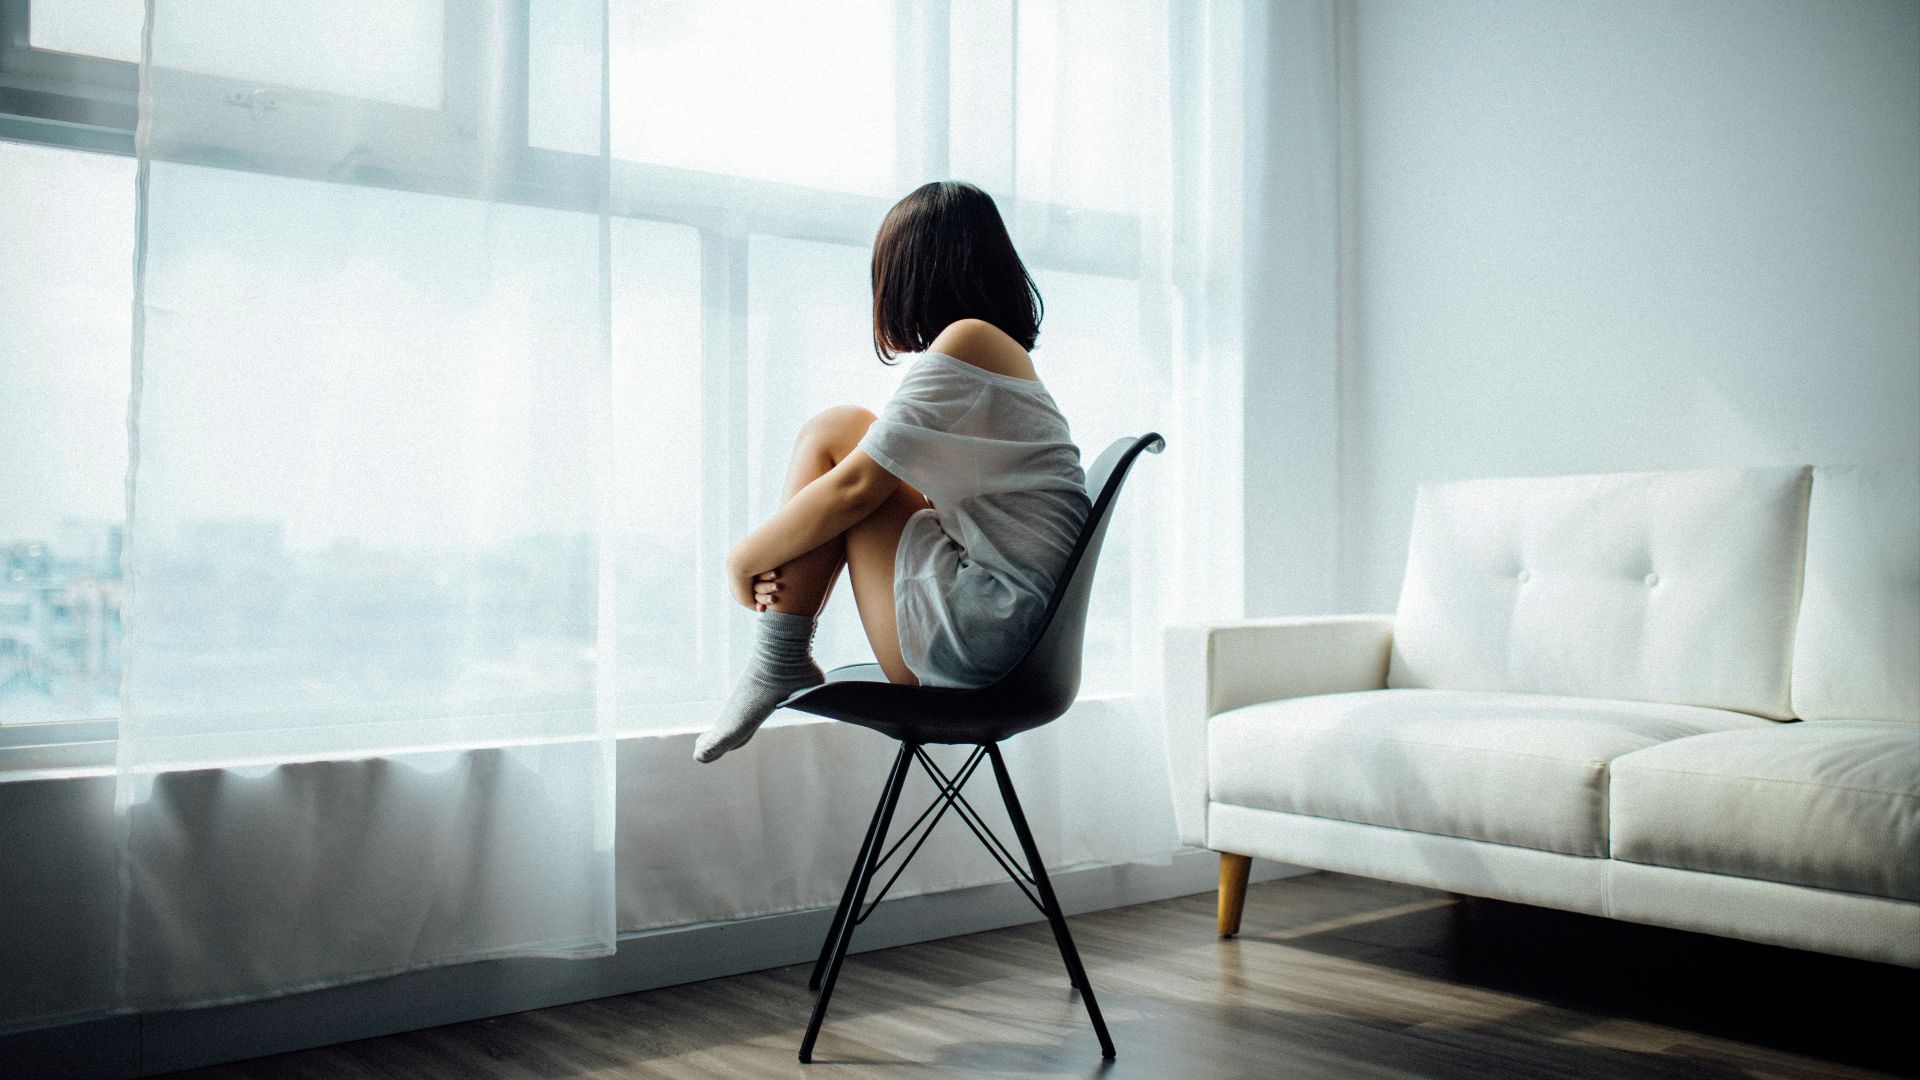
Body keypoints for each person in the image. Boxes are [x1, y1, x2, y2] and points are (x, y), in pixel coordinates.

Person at [694, 180, 1091, 763]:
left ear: (911, 272)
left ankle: (777, 658)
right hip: (1012, 638)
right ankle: (778, 658)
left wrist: (741, 560)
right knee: (849, 433)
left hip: (984, 642)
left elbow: (856, 489)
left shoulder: (970, 341)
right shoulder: (997, 355)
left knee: (837, 433)